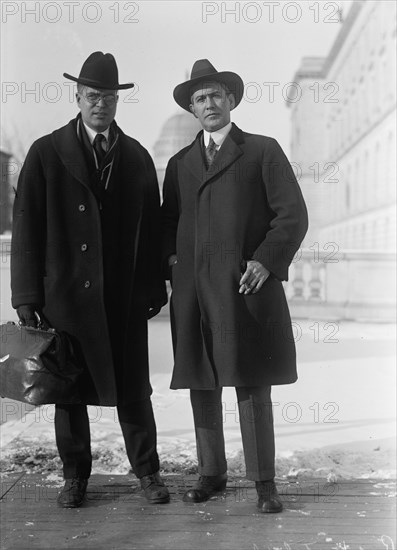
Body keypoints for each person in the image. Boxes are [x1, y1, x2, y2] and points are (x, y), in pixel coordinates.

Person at [11, 52, 170, 508]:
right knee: (70, 393)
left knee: (135, 389)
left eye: (109, 97)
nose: (101, 104)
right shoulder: (46, 151)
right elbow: (26, 228)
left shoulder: (136, 156)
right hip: (66, 297)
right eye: (93, 95)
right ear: (78, 97)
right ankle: (74, 476)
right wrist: (26, 295)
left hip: (121, 298)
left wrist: (153, 287)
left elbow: (153, 230)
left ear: (118, 102)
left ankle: (148, 473)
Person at [161, 59, 308, 513]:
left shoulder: (262, 151)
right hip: (195, 295)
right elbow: (169, 226)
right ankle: (212, 473)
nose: (209, 104)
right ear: (191, 108)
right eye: (200, 98)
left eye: (216, 96)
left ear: (231, 101)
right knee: (202, 382)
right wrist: (173, 267)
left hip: (245, 289)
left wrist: (265, 261)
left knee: (252, 383)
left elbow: (292, 216)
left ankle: (264, 482)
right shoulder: (180, 163)